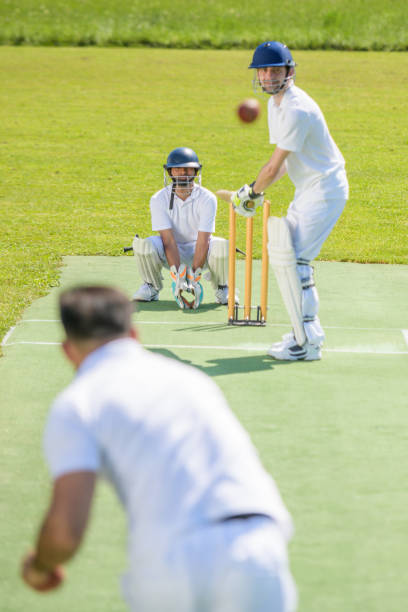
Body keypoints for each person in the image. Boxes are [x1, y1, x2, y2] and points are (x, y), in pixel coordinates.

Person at [21, 285, 297, 611]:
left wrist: (40, 566)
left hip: (171, 558)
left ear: (68, 350)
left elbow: (66, 532)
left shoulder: (77, 404)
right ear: (133, 334)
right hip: (258, 543)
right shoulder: (192, 379)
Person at [232, 41, 349, 361]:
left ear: (290, 71)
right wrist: (253, 190)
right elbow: (284, 164)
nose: (268, 76)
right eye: (263, 70)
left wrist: (251, 193)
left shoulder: (297, 108)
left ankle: (308, 343)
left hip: (324, 189)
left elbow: (272, 166)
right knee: (285, 256)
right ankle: (305, 333)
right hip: (309, 190)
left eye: (275, 70)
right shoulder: (276, 105)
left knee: (295, 262)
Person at [132, 147, 234, 309]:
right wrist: (178, 278)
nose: (183, 173)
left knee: (222, 246)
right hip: (170, 252)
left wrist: (195, 277)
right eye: (177, 169)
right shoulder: (158, 198)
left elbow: (204, 240)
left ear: (196, 171)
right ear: (170, 172)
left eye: (188, 169)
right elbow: (168, 240)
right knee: (145, 245)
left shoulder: (208, 198)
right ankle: (151, 286)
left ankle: (222, 288)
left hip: (200, 251)